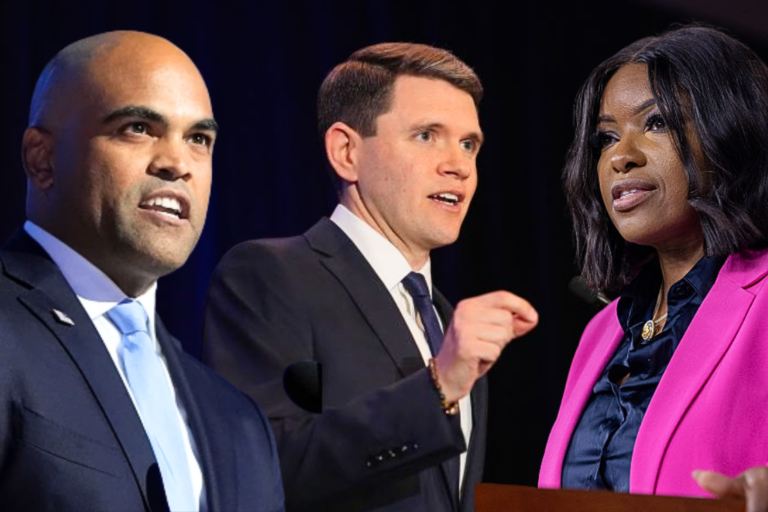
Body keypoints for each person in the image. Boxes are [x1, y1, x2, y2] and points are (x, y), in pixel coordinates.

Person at [203, 42, 538, 512]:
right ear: (346, 152)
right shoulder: (275, 276)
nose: (459, 165)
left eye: (469, 144)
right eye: (426, 136)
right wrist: (438, 385)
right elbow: (268, 463)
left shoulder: (443, 318)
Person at [0, 31, 284, 512]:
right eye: (137, 128)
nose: (177, 163)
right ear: (41, 159)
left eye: (199, 139)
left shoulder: (237, 421)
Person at [539, 25, 768, 511]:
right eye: (605, 137)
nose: (621, 156)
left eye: (657, 122)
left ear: (730, 131)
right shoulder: (602, 333)